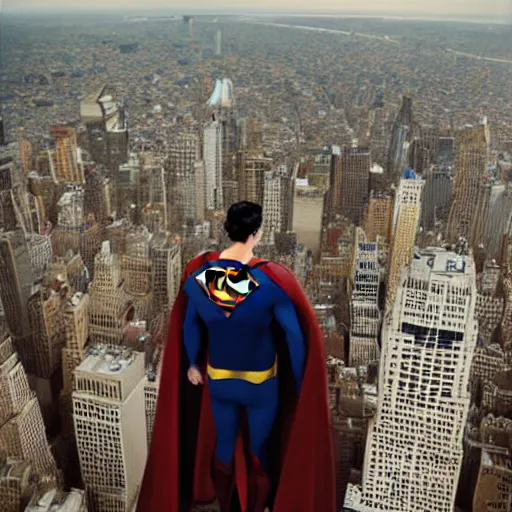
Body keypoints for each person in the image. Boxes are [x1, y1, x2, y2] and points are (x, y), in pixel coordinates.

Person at [137, 201, 335, 512]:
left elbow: (189, 326)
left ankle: (226, 501)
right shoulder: (272, 282)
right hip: (260, 388)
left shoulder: (200, 276)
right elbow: (296, 340)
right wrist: (298, 386)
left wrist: (190, 364)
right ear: (256, 234)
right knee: (258, 452)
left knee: (224, 450)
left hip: (220, 383)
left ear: (227, 230)